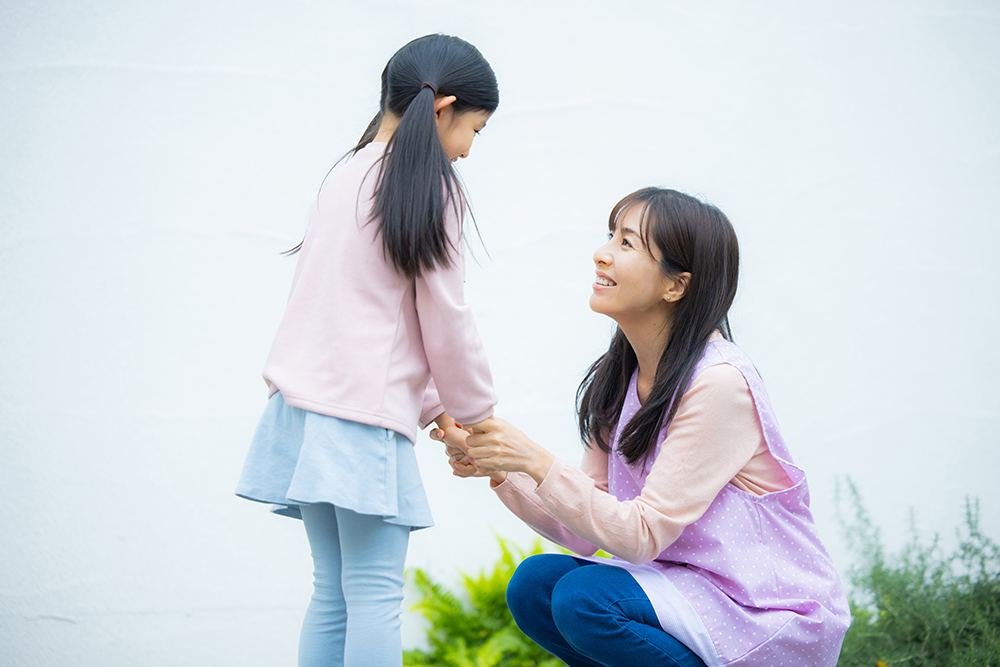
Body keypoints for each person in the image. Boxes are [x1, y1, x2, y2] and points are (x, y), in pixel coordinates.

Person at [437, 187, 851, 666]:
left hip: (762, 611)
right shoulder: (618, 379)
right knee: (535, 586)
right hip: (684, 586)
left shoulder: (718, 384)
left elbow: (640, 535)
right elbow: (581, 533)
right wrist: (503, 466)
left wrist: (532, 456)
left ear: (675, 286)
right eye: (610, 236)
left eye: (627, 243)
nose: (602, 253)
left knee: (585, 598)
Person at [235, 34, 499, 667]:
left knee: (333, 594)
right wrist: (478, 413)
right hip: (358, 422)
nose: (467, 150)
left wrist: (439, 407)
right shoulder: (427, 188)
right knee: (376, 596)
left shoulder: (345, 175)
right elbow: (444, 317)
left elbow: (368, 315)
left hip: (304, 415)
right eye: (475, 130)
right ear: (443, 109)